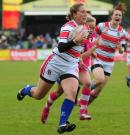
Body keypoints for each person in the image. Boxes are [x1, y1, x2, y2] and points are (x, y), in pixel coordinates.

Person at [16, 3, 88, 134]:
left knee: (71, 94)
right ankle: (25, 89)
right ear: (75, 14)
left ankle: (62, 124)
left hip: (70, 66)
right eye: (82, 12)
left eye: (86, 12)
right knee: (38, 95)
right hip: (55, 63)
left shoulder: (85, 28)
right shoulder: (68, 27)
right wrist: (75, 41)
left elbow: (79, 48)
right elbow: (61, 47)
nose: (85, 14)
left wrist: (80, 58)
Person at [41, 15, 97, 124]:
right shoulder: (79, 34)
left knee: (87, 83)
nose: (91, 30)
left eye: (93, 28)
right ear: (85, 26)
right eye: (90, 27)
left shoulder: (91, 35)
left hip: (81, 66)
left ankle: (82, 111)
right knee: (59, 92)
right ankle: (47, 106)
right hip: (70, 65)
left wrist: (93, 51)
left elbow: (89, 49)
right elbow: (78, 55)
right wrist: (89, 52)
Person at [88, 2, 126, 104]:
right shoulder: (102, 26)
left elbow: (122, 50)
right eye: (116, 14)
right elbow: (91, 35)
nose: (118, 16)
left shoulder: (122, 32)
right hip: (98, 58)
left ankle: (83, 106)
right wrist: (95, 42)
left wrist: (120, 48)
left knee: (98, 91)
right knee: (99, 79)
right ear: (112, 16)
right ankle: (83, 93)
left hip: (109, 63)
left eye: (120, 15)